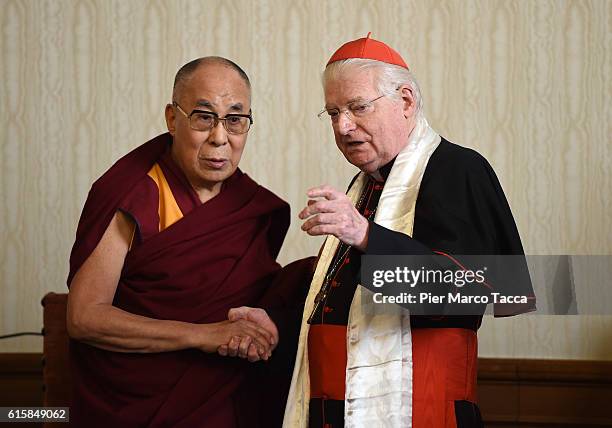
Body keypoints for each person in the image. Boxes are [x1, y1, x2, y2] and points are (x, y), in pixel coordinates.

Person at [227, 34, 536, 427]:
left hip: (422, 411)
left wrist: (367, 236)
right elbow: (351, 310)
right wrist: (280, 325)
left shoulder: (458, 170)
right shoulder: (366, 186)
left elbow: (475, 291)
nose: (343, 126)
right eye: (333, 112)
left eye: (357, 108)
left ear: (405, 101)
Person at [66, 57, 285, 427]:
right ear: (172, 118)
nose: (220, 137)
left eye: (235, 120)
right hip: (132, 404)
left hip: (224, 397)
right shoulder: (132, 192)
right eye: (203, 116)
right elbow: (84, 317)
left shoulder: (252, 207)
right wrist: (204, 335)